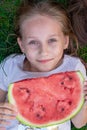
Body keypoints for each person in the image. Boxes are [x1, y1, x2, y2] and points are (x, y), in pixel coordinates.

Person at [0, 0, 87, 130]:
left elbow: (79, 123)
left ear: (65, 41)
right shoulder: (10, 66)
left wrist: (83, 102)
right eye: (33, 42)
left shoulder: (74, 68)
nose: (43, 52)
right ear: (21, 45)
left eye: (52, 40)